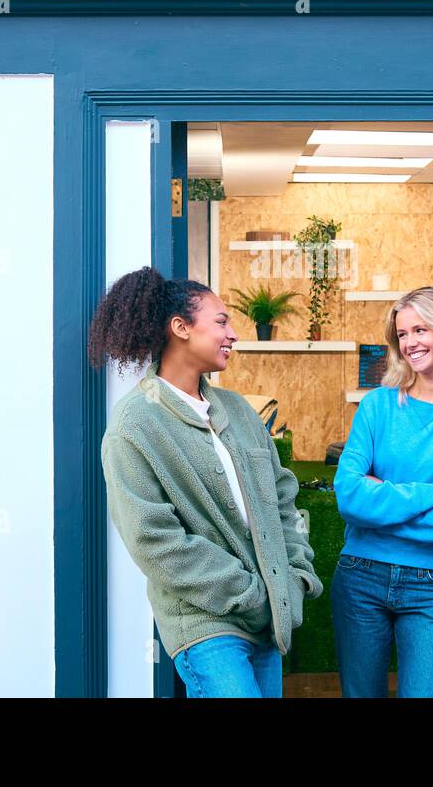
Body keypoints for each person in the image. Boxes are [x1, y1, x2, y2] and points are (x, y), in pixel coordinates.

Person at [88, 266, 321, 697]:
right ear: (180, 328)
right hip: (204, 621)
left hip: (270, 615)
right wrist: (248, 593)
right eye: (221, 321)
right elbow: (154, 541)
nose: (233, 334)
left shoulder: (238, 410)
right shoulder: (135, 425)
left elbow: (283, 498)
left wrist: (295, 574)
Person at [331, 286, 433, 697]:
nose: (409, 343)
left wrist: (383, 506)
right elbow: (349, 496)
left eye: (420, 330)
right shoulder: (377, 407)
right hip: (360, 578)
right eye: (402, 334)